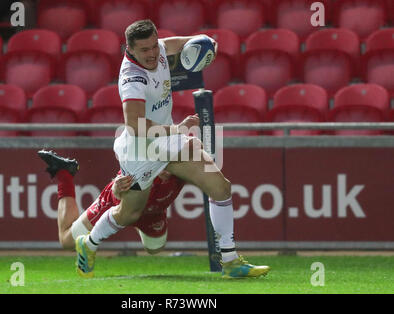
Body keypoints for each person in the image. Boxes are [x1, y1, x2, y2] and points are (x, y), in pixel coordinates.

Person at [75, 19, 270, 279]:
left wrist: (205, 41)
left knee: (220, 187)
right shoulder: (132, 79)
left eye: (154, 46)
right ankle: (88, 244)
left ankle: (231, 260)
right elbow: (134, 125)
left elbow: (180, 43)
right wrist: (177, 129)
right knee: (129, 212)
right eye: (145, 50)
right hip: (140, 150)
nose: (153, 53)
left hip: (168, 140)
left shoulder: (159, 50)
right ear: (130, 50)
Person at [37, 149, 185, 258]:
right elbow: (119, 188)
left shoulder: (183, 171)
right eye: (162, 161)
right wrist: (116, 189)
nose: (165, 167)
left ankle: (137, 223)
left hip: (152, 213)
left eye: (169, 162)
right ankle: (65, 174)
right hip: (117, 204)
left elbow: (205, 177)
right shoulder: (141, 168)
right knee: (67, 242)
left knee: (155, 248)